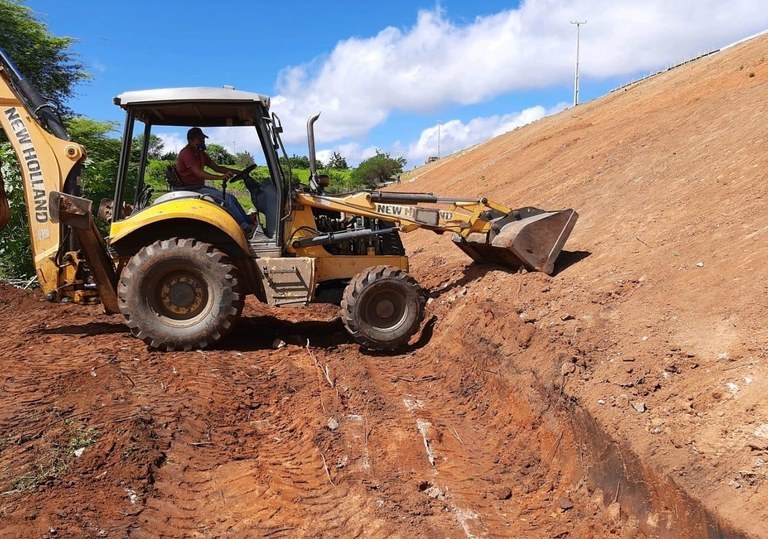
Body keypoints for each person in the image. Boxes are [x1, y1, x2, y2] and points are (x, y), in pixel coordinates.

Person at [175, 127, 253, 230]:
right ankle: (245, 227)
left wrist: (239, 172)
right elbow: (198, 173)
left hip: (199, 187)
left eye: (203, 139)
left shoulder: (201, 153)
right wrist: (220, 177)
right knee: (226, 199)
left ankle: (249, 222)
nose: (203, 142)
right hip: (189, 189)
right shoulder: (186, 153)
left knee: (232, 198)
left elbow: (217, 168)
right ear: (191, 141)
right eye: (200, 139)